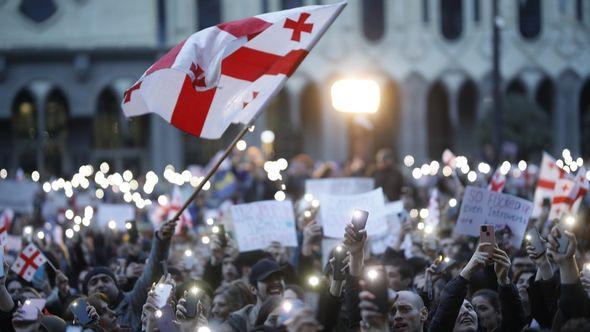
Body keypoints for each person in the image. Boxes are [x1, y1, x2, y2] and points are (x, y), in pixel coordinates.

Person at [82, 218, 176, 331]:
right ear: (86, 292)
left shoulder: (133, 301)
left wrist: (161, 242)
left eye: (105, 280)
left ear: (116, 284)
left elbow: (152, 271)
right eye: (93, 282)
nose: (100, 285)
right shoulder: (82, 320)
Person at [428, 242, 526, 332]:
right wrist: (467, 271)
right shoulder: (440, 323)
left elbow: (514, 321)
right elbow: (446, 309)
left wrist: (503, 280)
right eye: (457, 309)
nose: (466, 312)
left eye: (469, 307)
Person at [221, 259, 285, 332]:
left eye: (278, 278)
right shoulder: (239, 321)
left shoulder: (294, 314)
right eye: (268, 279)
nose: (276, 282)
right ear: (253, 289)